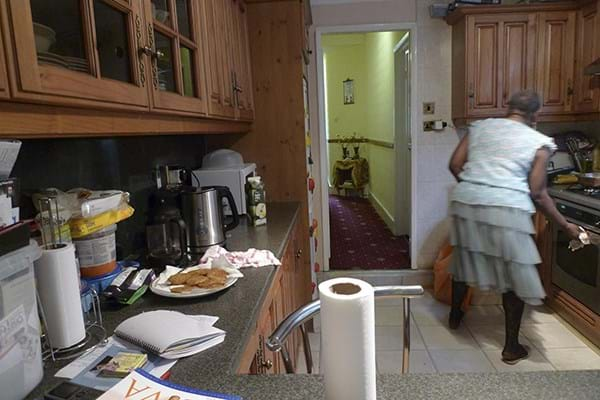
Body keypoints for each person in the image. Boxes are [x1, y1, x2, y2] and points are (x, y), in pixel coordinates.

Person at [446, 90, 581, 365]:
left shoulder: (481, 127)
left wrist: (477, 188)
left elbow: (455, 164)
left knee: (465, 256)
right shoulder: (539, 141)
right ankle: (510, 347)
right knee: (514, 274)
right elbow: (538, 192)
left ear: (509, 107)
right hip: (508, 207)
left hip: (466, 202)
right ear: (536, 114)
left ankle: (455, 316)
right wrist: (566, 226)